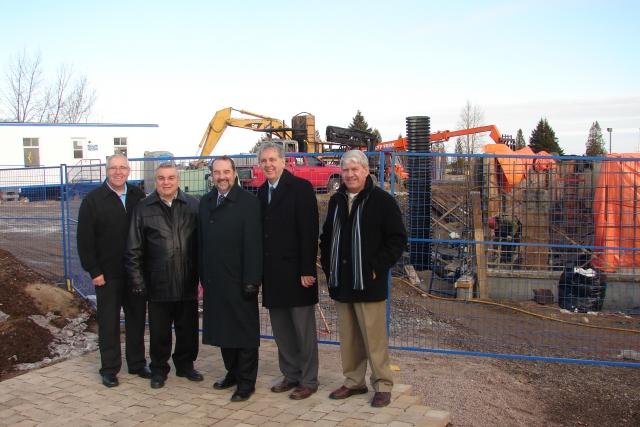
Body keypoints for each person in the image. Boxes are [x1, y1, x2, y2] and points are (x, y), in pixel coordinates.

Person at [319, 150, 407, 408]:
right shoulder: (336, 201)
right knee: (348, 336)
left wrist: (375, 267)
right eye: (345, 170)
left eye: (355, 169)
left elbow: (397, 239)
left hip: (368, 283)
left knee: (373, 338)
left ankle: (382, 384)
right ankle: (354, 381)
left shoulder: (382, 201)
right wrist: (327, 265)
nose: (349, 174)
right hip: (342, 282)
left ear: (366, 171)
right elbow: (326, 237)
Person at [125, 162, 203, 389]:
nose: (166, 182)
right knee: (159, 332)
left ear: (178, 179)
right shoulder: (143, 208)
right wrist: (137, 280)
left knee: (188, 329)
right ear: (155, 181)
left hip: (187, 279)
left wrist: (203, 277)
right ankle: (159, 369)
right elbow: (133, 249)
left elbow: (202, 245)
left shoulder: (193, 205)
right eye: (161, 178)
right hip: (157, 281)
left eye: (170, 177)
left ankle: (185, 365)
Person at [76, 154, 150, 388]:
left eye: (122, 168)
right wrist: (94, 270)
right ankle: (109, 368)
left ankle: (137, 363)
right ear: (106, 171)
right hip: (107, 275)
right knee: (108, 323)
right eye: (113, 168)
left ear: (129, 171)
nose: (118, 172)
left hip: (135, 272)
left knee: (137, 320)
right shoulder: (93, 200)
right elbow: (84, 240)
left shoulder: (139, 196)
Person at [256, 142, 320, 400]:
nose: (268, 164)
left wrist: (308, 269)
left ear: (284, 161)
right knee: (281, 330)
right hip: (272, 273)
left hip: (297, 273)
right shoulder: (260, 192)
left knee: (303, 330)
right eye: (264, 161)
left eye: (273, 159)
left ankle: (309, 379)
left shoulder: (300, 188)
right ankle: (291, 374)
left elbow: (309, 230)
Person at [199, 156, 263, 402]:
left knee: (244, 334)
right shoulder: (205, 202)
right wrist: (202, 275)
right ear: (211, 175)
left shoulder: (249, 203)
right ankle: (232, 374)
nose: (221, 177)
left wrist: (252, 279)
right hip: (215, 279)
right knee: (223, 330)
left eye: (226, 172)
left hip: (239, 278)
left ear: (235, 173)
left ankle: (247, 383)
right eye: (217, 172)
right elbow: (201, 241)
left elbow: (255, 244)